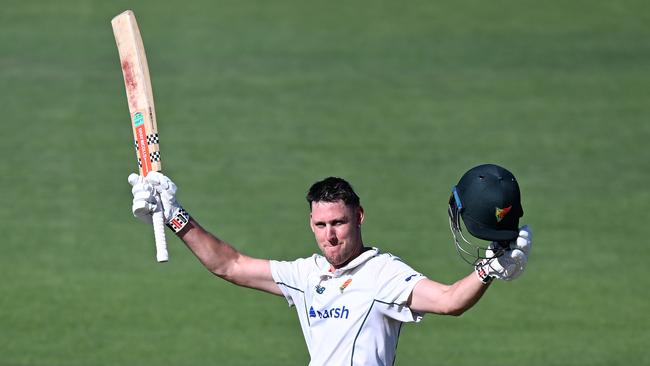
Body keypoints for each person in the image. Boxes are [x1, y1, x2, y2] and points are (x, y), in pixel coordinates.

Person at [128, 163, 532, 366]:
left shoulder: (383, 273)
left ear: (358, 217)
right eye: (321, 225)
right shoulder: (305, 275)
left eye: (338, 222)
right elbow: (229, 265)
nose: (330, 235)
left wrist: (488, 270)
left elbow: (448, 300)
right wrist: (175, 215)